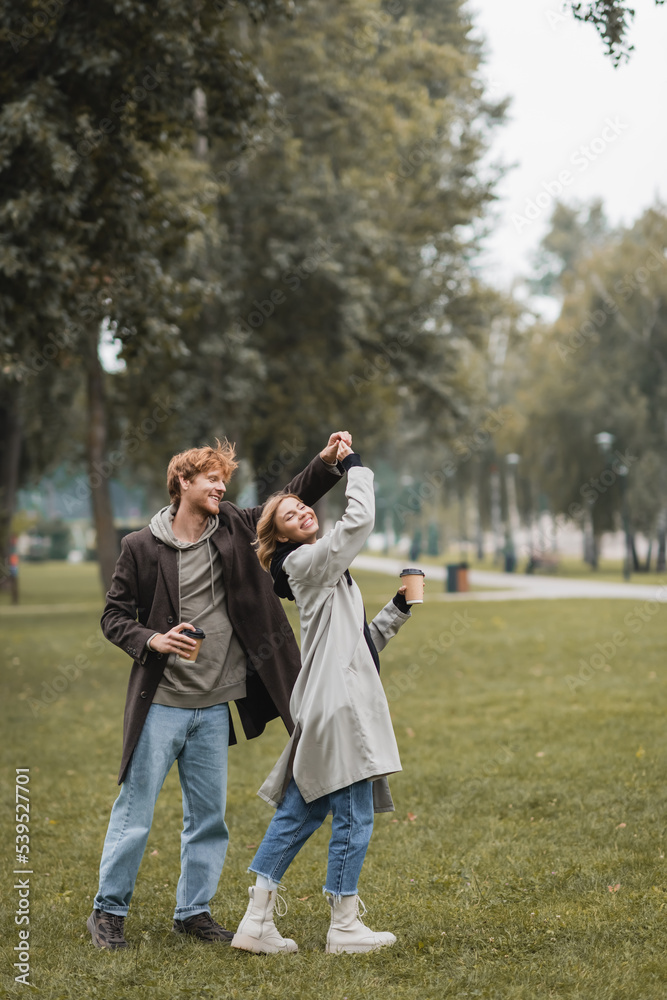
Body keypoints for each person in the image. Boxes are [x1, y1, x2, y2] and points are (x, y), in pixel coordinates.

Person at [87, 432, 350, 951]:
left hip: (212, 708)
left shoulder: (230, 523)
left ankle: (194, 912)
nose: (221, 488)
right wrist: (152, 639)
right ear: (182, 481)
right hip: (161, 704)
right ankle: (108, 912)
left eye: (225, 481)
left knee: (208, 818)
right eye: (212, 479)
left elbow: (285, 500)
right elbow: (113, 617)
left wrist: (326, 462)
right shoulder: (139, 547)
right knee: (135, 811)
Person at [231, 442, 414, 955]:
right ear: (280, 537)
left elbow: (355, 644)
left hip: (324, 703)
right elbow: (358, 523)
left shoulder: (321, 572)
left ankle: (255, 921)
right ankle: (344, 926)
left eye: (302, 505)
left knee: (301, 812)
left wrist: (396, 610)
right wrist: (356, 469)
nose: (303, 509)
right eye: (290, 513)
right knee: (354, 815)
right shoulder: (304, 562)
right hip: (338, 711)